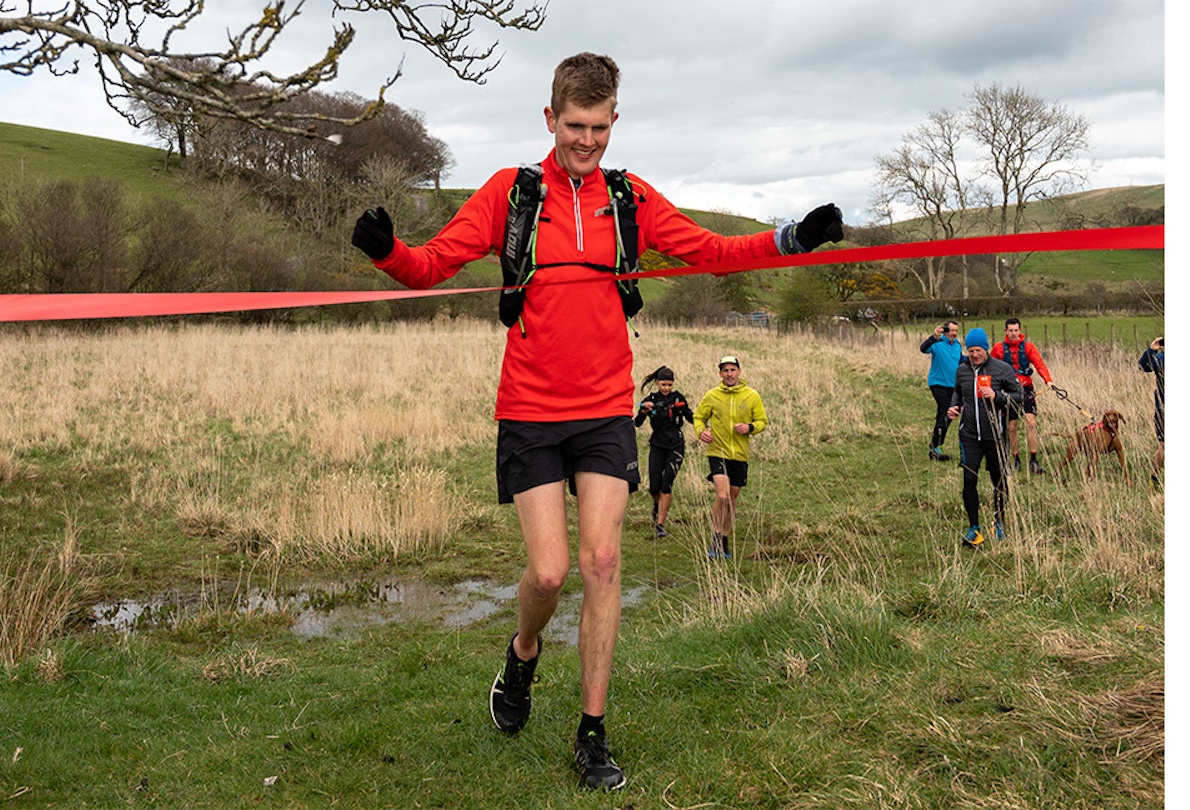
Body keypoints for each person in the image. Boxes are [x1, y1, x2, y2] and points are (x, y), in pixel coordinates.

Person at [349, 52, 844, 791]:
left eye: (601, 128)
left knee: (603, 564)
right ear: (550, 120)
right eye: (575, 126)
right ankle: (522, 654)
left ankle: (592, 731)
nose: (588, 141)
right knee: (548, 572)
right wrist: (386, 249)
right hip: (529, 412)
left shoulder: (627, 197)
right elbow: (432, 266)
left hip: (607, 408)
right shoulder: (511, 195)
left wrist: (790, 239)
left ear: (615, 121)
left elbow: (707, 252)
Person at [946, 328, 1025, 546]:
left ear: (986, 349)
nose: (974, 354)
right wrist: (954, 407)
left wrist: (997, 395)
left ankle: (998, 522)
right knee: (969, 480)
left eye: (978, 350)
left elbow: (1019, 397)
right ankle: (974, 528)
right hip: (969, 435)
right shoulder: (962, 371)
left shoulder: (1001, 369)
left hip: (995, 437)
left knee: (999, 481)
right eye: (970, 350)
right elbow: (957, 392)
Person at [692, 355, 768, 559]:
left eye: (733, 370)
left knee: (732, 500)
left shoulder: (751, 396)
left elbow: (762, 421)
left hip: (740, 455)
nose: (729, 374)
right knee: (722, 495)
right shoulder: (712, 395)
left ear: (739, 372)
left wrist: (750, 427)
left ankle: (724, 539)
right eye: (725, 370)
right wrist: (701, 432)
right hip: (718, 451)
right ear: (720, 374)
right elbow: (699, 417)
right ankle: (715, 537)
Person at [633, 365, 693, 538]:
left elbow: (689, 416)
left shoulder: (678, 398)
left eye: (669, 385)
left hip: (676, 445)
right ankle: (656, 505)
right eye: (663, 384)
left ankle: (660, 524)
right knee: (654, 486)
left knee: (667, 484)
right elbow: (637, 422)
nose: (666, 388)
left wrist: (703, 424)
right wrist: (644, 411)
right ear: (658, 383)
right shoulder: (650, 399)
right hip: (658, 445)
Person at [990, 317, 1056, 474]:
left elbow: (1039, 364)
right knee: (1012, 426)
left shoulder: (1028, 347)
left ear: (1020, 331)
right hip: (1009, 392)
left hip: (1026, 390)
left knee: (1031, 423)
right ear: (1005, 331)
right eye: (1011, 330)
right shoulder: (998, 349)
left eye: (1016, 330)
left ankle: (1033, 460)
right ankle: (1015, 459)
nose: (1014, 333)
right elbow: (991, 368)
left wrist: (1048, 381)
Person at [919, 320, 963, 461]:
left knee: (945, 414)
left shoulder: (957, 345)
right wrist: (934, 337)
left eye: (956, 330)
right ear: (945, 331)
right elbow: (923, 348)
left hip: (953, 385)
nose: (954, 333)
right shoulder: (936, 343)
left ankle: (934, 446)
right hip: (938, 383)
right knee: (947, 412)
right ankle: (936, 446)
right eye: (951, 330)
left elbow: (961, 359)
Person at [1138, 335, 1164, 483]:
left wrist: (1151, 349)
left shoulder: (1161, 359)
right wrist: (1151, 351)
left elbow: (1142, 365)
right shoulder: (1161, 359)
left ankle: (1153, 478)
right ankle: (1153, 478)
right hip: (1163, 409)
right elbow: (1143, 366)